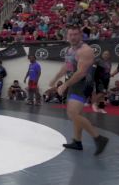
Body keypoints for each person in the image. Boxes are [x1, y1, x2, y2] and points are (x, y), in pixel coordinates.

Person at [49, 25, 108, 156]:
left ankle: (99, 138)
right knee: (77, 114)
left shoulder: (85, 50)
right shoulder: (70, 50)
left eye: (76, 34)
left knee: (72, 113)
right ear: (67, 36)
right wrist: (55, 78)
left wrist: (64, 85)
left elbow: (81, 73)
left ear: (80, 35)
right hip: (74, 83)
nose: (73, 37)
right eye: (71, 34)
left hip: (82, 84)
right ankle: (77, 141)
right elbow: (67, 66)